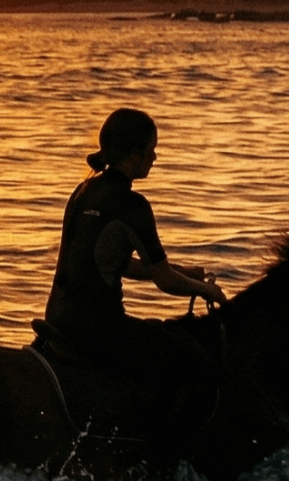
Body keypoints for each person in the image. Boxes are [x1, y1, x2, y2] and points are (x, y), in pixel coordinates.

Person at [37, 108, 227, 416]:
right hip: (100, 330)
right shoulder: (132, 205)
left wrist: (185, 272)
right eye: (152, 151)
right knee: (194, 361)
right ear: (136, 154)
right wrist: (206, 291)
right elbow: (164, 281)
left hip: (58, 318)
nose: (155, 158)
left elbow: (115, 263)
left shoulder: (84, 190)